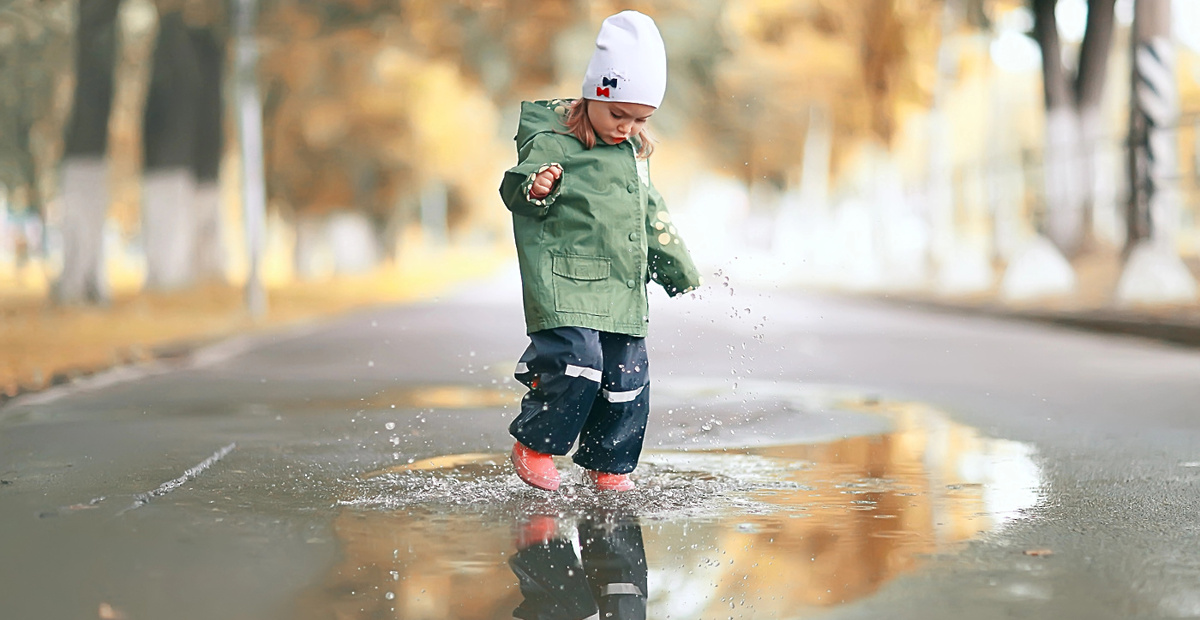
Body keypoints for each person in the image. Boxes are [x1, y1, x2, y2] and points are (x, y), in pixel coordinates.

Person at [499, 10, 701, 493]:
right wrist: (538, 185)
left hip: (620, 287)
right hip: (566, 283)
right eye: (618, 114)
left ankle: (608, 462)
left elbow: (649, 214)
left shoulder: (632, 157)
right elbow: (516, 190)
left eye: (640, 119)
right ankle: (536, 444)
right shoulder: (552, 141)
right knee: (576, 360)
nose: (627, 128)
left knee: (627, 375)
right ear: (594, 94)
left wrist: (677, 267)